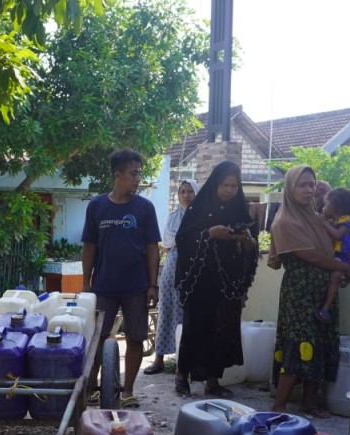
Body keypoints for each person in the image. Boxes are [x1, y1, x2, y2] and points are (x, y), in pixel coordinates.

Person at [269, 165, 350, 417]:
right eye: (302, 185)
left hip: (322, 290)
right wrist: (344, 267)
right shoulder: (286, 220)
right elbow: (310, 256)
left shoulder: (314, 217)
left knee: (319, 343)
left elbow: (331, 249)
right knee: (299, 343)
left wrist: (342, 269)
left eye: (311, 184)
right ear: (290, 188)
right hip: (300, 292)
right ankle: (279, 405)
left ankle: (309, 402)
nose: (308, 190)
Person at [81, 149, 161, 409]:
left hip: (136, 287)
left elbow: (152, 248)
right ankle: (93, 386)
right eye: (133, 173)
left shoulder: (145, 208)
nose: (138, 178)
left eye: (140, 173)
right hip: (103, 286)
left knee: (136, 337)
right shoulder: (97, 206)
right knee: (98, 337)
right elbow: (89, 246)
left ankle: (127, 390)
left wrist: (152, 284)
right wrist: (85, 282)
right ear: (118, 175)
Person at [173, 161, 257, 398]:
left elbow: (253, 241)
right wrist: (210, 234)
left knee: (222, 330)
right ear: (215, 184)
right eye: (225, 185)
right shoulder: (198, 208)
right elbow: (183, 240)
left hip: (228, 282)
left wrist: (247, 242)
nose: (230, 190)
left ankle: (213, 381)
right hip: (200, 280)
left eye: (234, 185)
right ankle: (182, 375)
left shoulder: (240, 209)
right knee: (195, 327)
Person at [144, 179, 197, 376]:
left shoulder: (202, 215)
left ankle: (183, 364)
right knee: (166, 311)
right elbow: (169, 241)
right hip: (172, 268)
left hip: (193, 270)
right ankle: (158, 360)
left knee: (186, 315)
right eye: (182, 191)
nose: (185, 195)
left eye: (189, 191)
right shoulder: (173, 216)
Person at [317, 187, 350, 323]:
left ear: (338, 208)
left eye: (326, 204)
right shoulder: (334, 223)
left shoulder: (347, 222)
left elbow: (336, 236)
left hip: (344, 257)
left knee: (335, 276)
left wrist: (323, 223)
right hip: (337, 256)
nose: (323, 208)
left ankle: (325, 308)